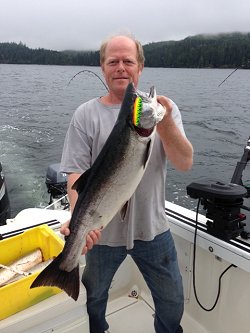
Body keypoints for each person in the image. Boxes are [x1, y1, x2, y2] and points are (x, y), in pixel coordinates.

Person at [60, 33, 193, 333]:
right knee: (95, 296)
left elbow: (185, 163)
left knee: (172, 302)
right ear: (102, 67)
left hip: (153, 229)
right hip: (102, 235)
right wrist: (78, 220)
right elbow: (76, 177)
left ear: (140, 67)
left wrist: (166, 121)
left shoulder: (161, 111)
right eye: (113, 61)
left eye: (128, 61)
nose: (121, 67)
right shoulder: (85, 115)